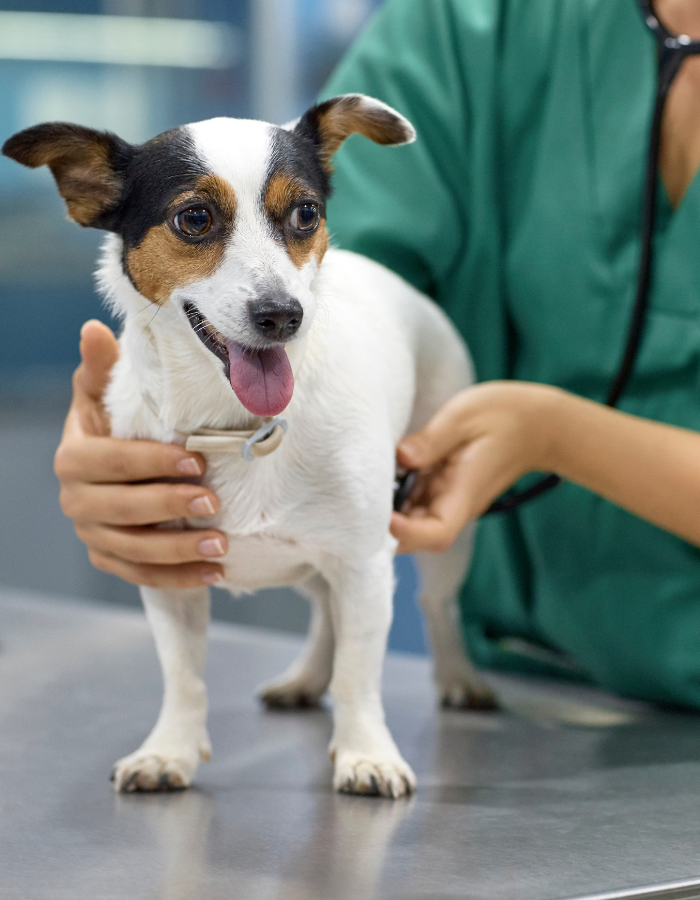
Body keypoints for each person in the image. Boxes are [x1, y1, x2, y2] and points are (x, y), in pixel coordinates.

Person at [55, 0, 700, 706]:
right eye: (197, 222)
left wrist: (557, 434)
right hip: (525, 677)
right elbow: (337, 274)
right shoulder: (469, 20)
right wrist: (130, 412)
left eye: (301, 217)